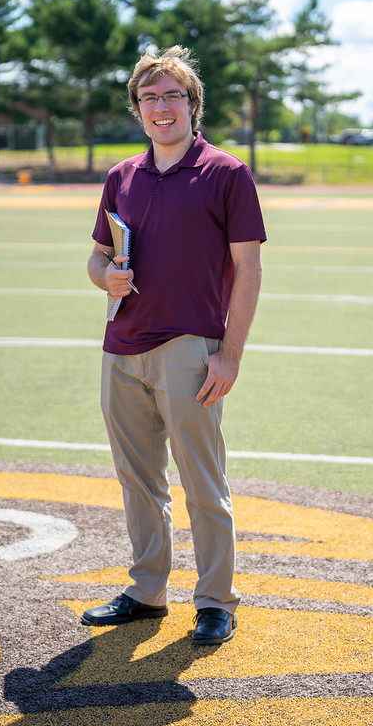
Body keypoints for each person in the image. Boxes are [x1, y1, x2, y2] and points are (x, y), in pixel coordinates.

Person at [81, 45, 266, 645]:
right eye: (150, 97)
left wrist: (230, 353)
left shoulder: (227, 173)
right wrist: (99, 275)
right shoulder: (122, 176)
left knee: (203, 483)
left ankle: (215, 600)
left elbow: (248, 268)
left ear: (193, 104)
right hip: (121, 346)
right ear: (138, 110)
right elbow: (99, 253)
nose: (162, 107)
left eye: (173, 96)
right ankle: (146, 590)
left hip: (191, 349)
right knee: (138, 480)